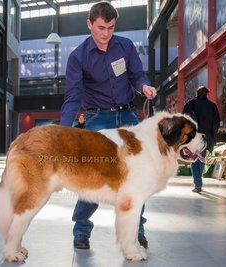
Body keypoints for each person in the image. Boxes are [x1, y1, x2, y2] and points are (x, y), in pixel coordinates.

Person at [60, 1, 157, 250]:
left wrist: (143, 86)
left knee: (136, 177)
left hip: (127, 117)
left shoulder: (124, 46)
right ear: (89, 24)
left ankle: (137, 229)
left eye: (111, 27)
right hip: (97, 119)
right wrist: (62, 132)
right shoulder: (78, 57)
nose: (105, 34)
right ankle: (81, 229)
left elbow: (137, 75)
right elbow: (73, 97)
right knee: (94, 178)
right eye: (101, 27)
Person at [183, 86, 220, 193]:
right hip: (206, 138)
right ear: (206, 94)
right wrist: (213, 137)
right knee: (201, 159)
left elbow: (183, 120)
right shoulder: (212, 106)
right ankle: (198, 182)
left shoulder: (190, 104)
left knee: (194, 159)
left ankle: (198, 184)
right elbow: (216, 123)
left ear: (197, 93)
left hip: (193, 137)